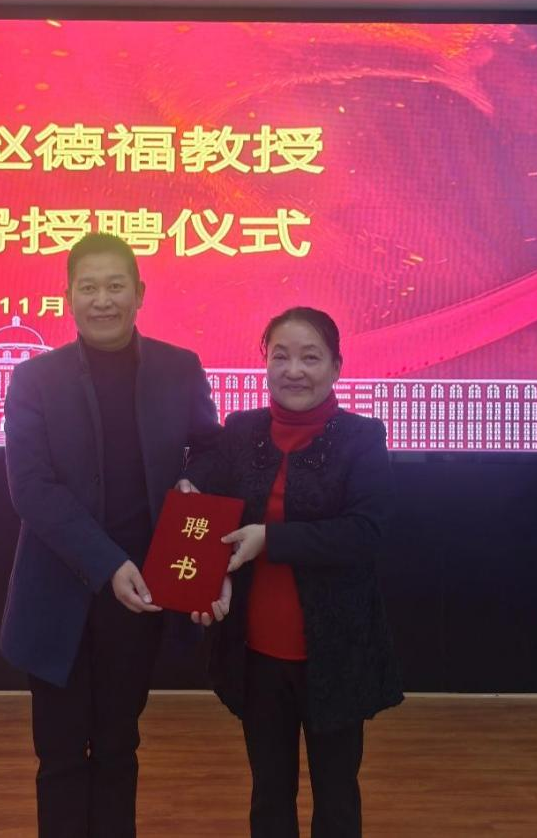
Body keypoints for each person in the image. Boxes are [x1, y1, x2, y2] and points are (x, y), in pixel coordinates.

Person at [0, 232, 222, 838]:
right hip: (59, 591)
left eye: (116, 286)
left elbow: (211, 451)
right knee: (60, 755)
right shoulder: (34, 379)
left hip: (142, 593)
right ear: (68, 298)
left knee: (120, 747)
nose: (103, 300)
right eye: (89, 287)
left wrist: (195, 483)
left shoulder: (179, 368)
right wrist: (107, 563)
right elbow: (32, 488)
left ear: (139, 293)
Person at [186, 306, 403, 838]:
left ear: (336, 367)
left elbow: (366, 532)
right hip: (256, 652)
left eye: (310, 357)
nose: (293, 371)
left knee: (336, 797)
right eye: (280, 357)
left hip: (335, 651)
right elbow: (203, 498)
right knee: (269, 795)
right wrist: (202, 563)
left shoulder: (361, 437)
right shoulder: (240, 431)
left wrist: (270, 539)